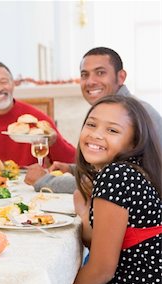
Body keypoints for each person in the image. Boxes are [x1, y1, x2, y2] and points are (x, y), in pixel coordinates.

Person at [26, 47, 162, 193]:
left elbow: (112, 184)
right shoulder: (111, 110)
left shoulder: (137, 114)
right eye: (85, 75)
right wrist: (73, 169)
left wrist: (45, 181)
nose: (90, 81)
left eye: (100, 73)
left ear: (121, 77)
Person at [68, 95, 161, 284]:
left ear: (133, 143)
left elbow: (102, 271)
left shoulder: (116, 176)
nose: (97, 135)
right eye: (91, 125)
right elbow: (106, 242)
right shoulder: (133, 172)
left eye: (112, 130)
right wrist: (84, 211)